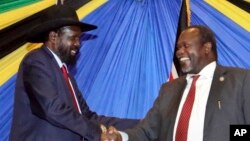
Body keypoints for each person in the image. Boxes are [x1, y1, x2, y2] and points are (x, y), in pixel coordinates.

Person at [9, 5, 138, 141]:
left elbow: (88, 116)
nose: (78, 43)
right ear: (53, 37)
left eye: (79, 38)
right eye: (73, 37)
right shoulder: (36, 61)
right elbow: (53, 108)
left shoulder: (66, 75)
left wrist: (142, 124)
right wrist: (97, 134)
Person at [101, 25, 250, 141]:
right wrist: (120, 137)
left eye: (186, 46)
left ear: (206, 48)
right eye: (178, 48)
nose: (179, 52)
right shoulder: (168, 89)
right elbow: (146, 131)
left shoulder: (240, 80)